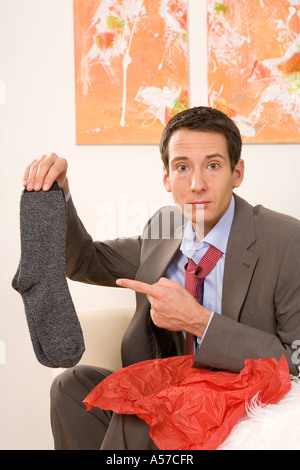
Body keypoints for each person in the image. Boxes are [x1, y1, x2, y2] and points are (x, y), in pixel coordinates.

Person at [22, 106, 300, 450]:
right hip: (173, 387)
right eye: (182, 167)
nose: (197, 184)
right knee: (71, 387)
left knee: (137, 420)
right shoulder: (163, 234)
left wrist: (200, 322)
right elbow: (85, 260)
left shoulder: (285, 240)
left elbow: (295, 358)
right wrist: (59, 194)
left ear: (237, 172)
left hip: (238, 398)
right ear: (167, 178)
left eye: (213, 166)